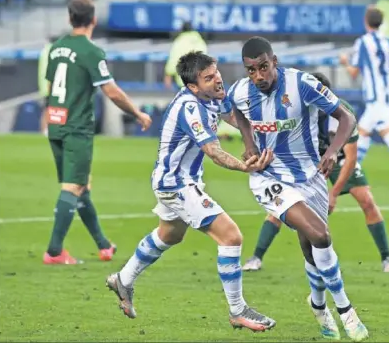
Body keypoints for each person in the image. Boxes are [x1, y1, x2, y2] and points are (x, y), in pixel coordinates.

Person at [106, 51, 276, 333]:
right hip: (176, 184)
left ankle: (123, 279)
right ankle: (238, 311)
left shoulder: (213, 96)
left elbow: (236, 117)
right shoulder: (190, 107)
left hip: (178, 181)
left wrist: (261, 135)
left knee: (170, 234)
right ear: (193, 86)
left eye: (217, 72)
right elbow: (214, 152)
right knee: (231, 236)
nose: (217, 80)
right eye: (209, 78)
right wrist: (248, 167)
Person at [227, 36, 369, 342]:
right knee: (322, 236)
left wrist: (331, 151)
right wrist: (249, 142)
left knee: (311, 248)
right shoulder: (241, 91)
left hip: (310, 175)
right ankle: (346, 311)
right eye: (251, 70)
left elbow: (346, 117)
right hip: (269, 178)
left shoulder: (301, 84)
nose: (258, 76)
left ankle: (318, 306)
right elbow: (232, 110)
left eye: (263, 67)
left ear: (274, 61)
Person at [242, 72, 389, 274]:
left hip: (336, 156)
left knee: (366, 199)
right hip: (304, 158)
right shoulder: (294, 108)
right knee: (281, 205)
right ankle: (256, 257)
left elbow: (351, 158)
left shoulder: (341, 112)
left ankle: (387, 258)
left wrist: (333, 194)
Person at [42, 0, 152, 265]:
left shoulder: (56, 49)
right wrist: (137, 112)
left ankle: (104, 245)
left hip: (56, 124)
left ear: (70, 18)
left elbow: (50, 89)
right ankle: (54, 251)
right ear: (93, 20)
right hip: (76, 128)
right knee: (74, 185)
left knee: (83, 185)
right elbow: (111, 92)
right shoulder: (91, 52)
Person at [339, 7, 389, 191]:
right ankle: (350, 171)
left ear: (366, 22)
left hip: (376, 96)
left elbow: (353, 72)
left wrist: (344, 61)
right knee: (363, 132)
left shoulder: (364, 42)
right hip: (388, 93)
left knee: (388, 132)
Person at [164, 22, 208, 90]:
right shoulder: (200, 41)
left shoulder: (179, 42)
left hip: (184, 83)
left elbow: (174, 60)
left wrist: (168, 74)